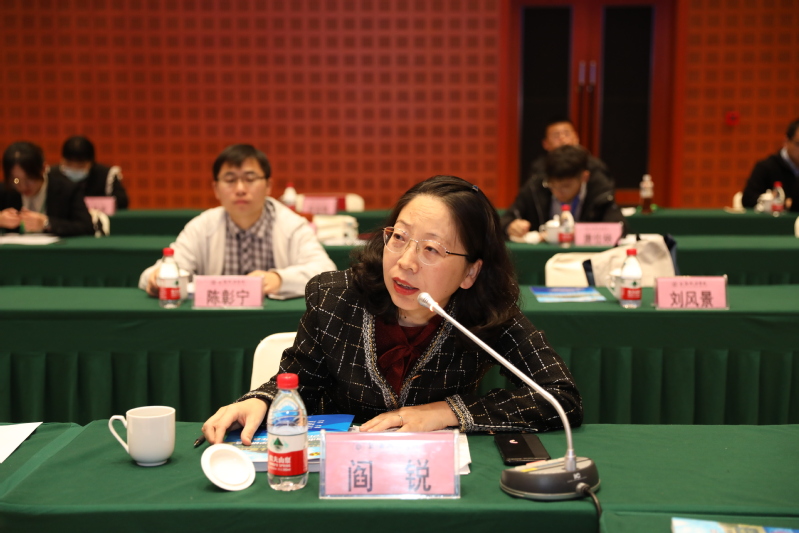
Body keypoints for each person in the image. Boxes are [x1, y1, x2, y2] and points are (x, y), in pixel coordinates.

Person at [202, 175, 583, 445]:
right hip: (341, 469)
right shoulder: (335, 297)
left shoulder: (487, 314)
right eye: (399, 237)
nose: (405, 262)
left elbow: (561, 397)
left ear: (471, 272)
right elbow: (299, 381)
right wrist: (261, 399)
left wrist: (442, 413)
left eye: (431, 249)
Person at [138, 144, 336, 298]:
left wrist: (279, 279)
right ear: (216, 189)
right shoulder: (202, 226)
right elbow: (155, 273)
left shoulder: (291, 225)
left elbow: (326, 272)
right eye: (230, 180)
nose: (240, 189)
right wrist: (157, 277)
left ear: (268, 186)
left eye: (250, 179)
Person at [501, 145, 627, 239]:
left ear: (584, 177)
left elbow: (619, 228)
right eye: (553, 185)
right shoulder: (536, 186)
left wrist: (578, 233)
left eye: (566, 186)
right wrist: (510, 226)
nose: (558, 192)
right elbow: (505, 219)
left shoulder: (600, 192)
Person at [1, 141, 94, 236]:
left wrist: (47, 223)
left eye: (30, 179)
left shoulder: (67, 189)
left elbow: (87, 227)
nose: (23, 186)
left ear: (43, 168)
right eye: (16, 180)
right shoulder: (6, 190)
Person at [48, 136, 129, 209]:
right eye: (69, 164)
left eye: (80, 165)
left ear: (91, 163)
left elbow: (122, 202)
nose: (74, 168)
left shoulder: (107, 176)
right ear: (62, 160)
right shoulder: (51, 175)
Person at [742, 117, 799, 212]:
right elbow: (748, 199)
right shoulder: (766, 167)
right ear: (786, 141)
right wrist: (779, 202)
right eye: (798, 144)